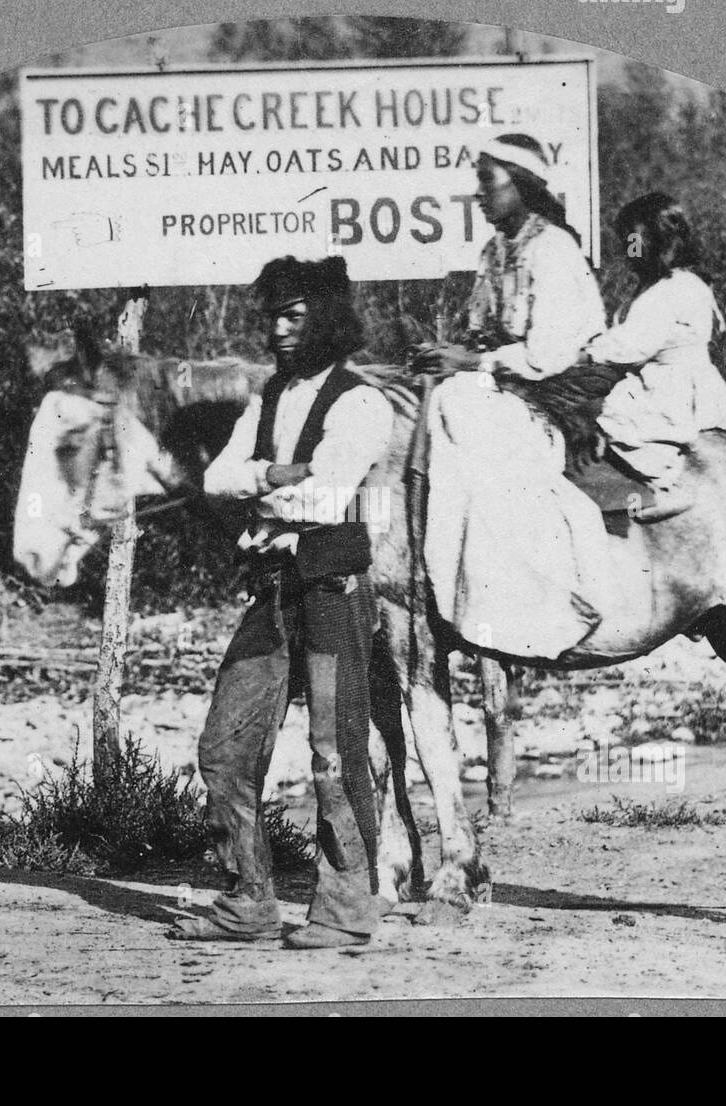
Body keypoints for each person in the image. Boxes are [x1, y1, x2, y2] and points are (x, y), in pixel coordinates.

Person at [169, 255, 393, 950]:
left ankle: (347, 909)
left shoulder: (360, 401)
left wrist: (261, 488)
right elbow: (214, 479)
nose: (278, 329)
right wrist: (275, 474)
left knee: (334, 753)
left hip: (331, 593)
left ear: (326, 319)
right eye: (272, 315)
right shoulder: (269, 397)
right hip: (270, 593)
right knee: (224, 748)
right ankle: (249, 900)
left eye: (294, 315)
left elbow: (327, 498)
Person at [412, 133, 613, 660]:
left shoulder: (553, 249)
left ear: (521, 184)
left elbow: (548, 355)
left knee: (457, 404)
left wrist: (472, 364)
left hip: (557, 395)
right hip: (506, 383)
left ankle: (531, 591)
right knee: (433, 396)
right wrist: (450, 352)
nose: (478, 194)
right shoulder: (495, 250)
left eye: (487, 181)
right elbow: (485, 331)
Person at [586, 192, 726, 495]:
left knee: (613, 429)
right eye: (625, 243)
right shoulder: (655, 286)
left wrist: (587, 352)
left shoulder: (675, 288)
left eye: (633, 242)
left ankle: (648, 497)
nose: (626, 250)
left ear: (658, 241)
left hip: (671, 387)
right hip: (658, 377)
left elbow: (634, 343)